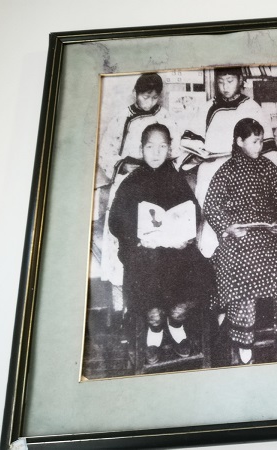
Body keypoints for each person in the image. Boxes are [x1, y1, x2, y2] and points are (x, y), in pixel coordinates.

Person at [108, 124, 213, 365]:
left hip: (176, 251)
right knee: (153, 309)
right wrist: (138, 238)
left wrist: (183, 235)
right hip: (143, 252)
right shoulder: (131, 182)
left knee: (196, 281)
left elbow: (192, 212)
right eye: (150, 147)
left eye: (162, 147)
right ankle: (154, 331)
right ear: (141, 149)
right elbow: (116, 221)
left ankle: (176, 324)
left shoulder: (175, 178)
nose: (156, 153)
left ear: (169, 149)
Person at [203, 118, 277, 365]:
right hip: (241, 239)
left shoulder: (269, 168)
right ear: (240, 141)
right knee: (242, 281)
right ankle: (244, 345)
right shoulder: (226, 171)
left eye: (261, 141)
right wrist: (229, 228)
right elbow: (211, 206)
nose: (260, 146)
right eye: (255, 141)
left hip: (270, 236)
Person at [97, 72, 181, 318]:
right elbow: (106, 153)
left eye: (155, 97)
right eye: (146, 96)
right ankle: (123, 305)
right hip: (128, 179)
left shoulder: (164, 117)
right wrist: (123, 165)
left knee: (156, 238)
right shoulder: (122, 118)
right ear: (136, 93)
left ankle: (157, 304)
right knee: (125, 238)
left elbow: (173, 149)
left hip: (156, 180)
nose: (150, 102)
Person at [182, 67, 277, 258]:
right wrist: (200, 150)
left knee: (242, 219)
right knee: (209, 215)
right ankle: (211, 258)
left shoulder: (251, 107)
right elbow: (190, 139)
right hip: (210, 169)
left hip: (242, 172)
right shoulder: (208, 106)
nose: (225, 87)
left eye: (230, 81)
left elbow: (265, 147)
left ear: (240, 80)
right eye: (220, 82)